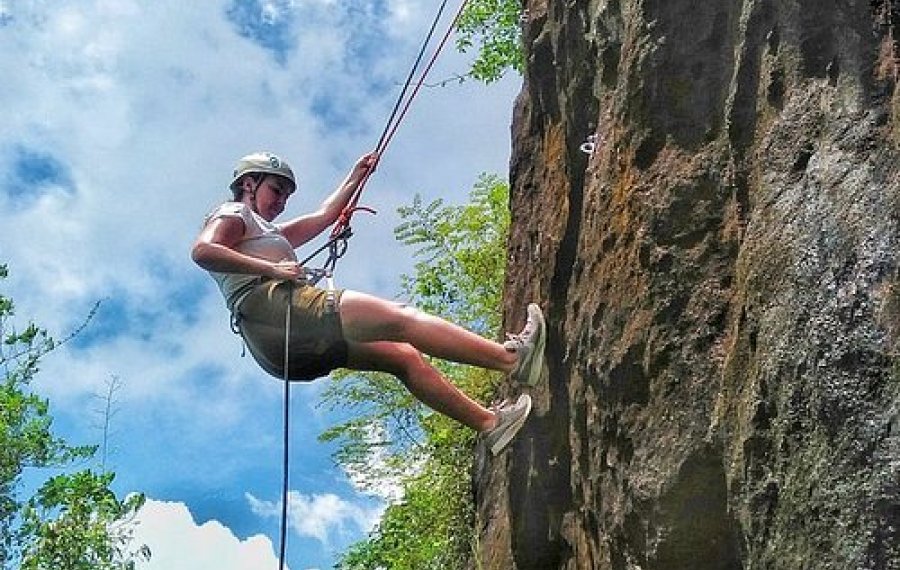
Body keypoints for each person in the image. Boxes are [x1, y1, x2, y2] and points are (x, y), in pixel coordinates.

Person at [191, 151, 546, 455]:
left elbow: (324, 217)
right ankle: (512, 359)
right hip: (271, 308)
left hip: (277, 347)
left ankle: (491, 425)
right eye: (276, 190)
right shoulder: (234, 213)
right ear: (249, 183)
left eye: (286, 195)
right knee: (401, 318)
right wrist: (271, 268)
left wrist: (356, 176)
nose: (281, 201)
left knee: (404, 357)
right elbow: (204, 250)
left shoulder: (271, 233)